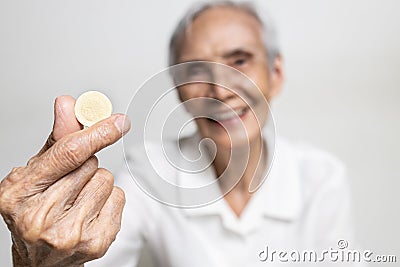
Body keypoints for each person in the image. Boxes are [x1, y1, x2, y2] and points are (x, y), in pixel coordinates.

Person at [0, 1, 361, 266]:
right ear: (177, 91)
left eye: (239, 60)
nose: (221, 91)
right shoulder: (147, 173)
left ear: (276, 73)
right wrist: (43, 259)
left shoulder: (322, 178)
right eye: (197, 73)